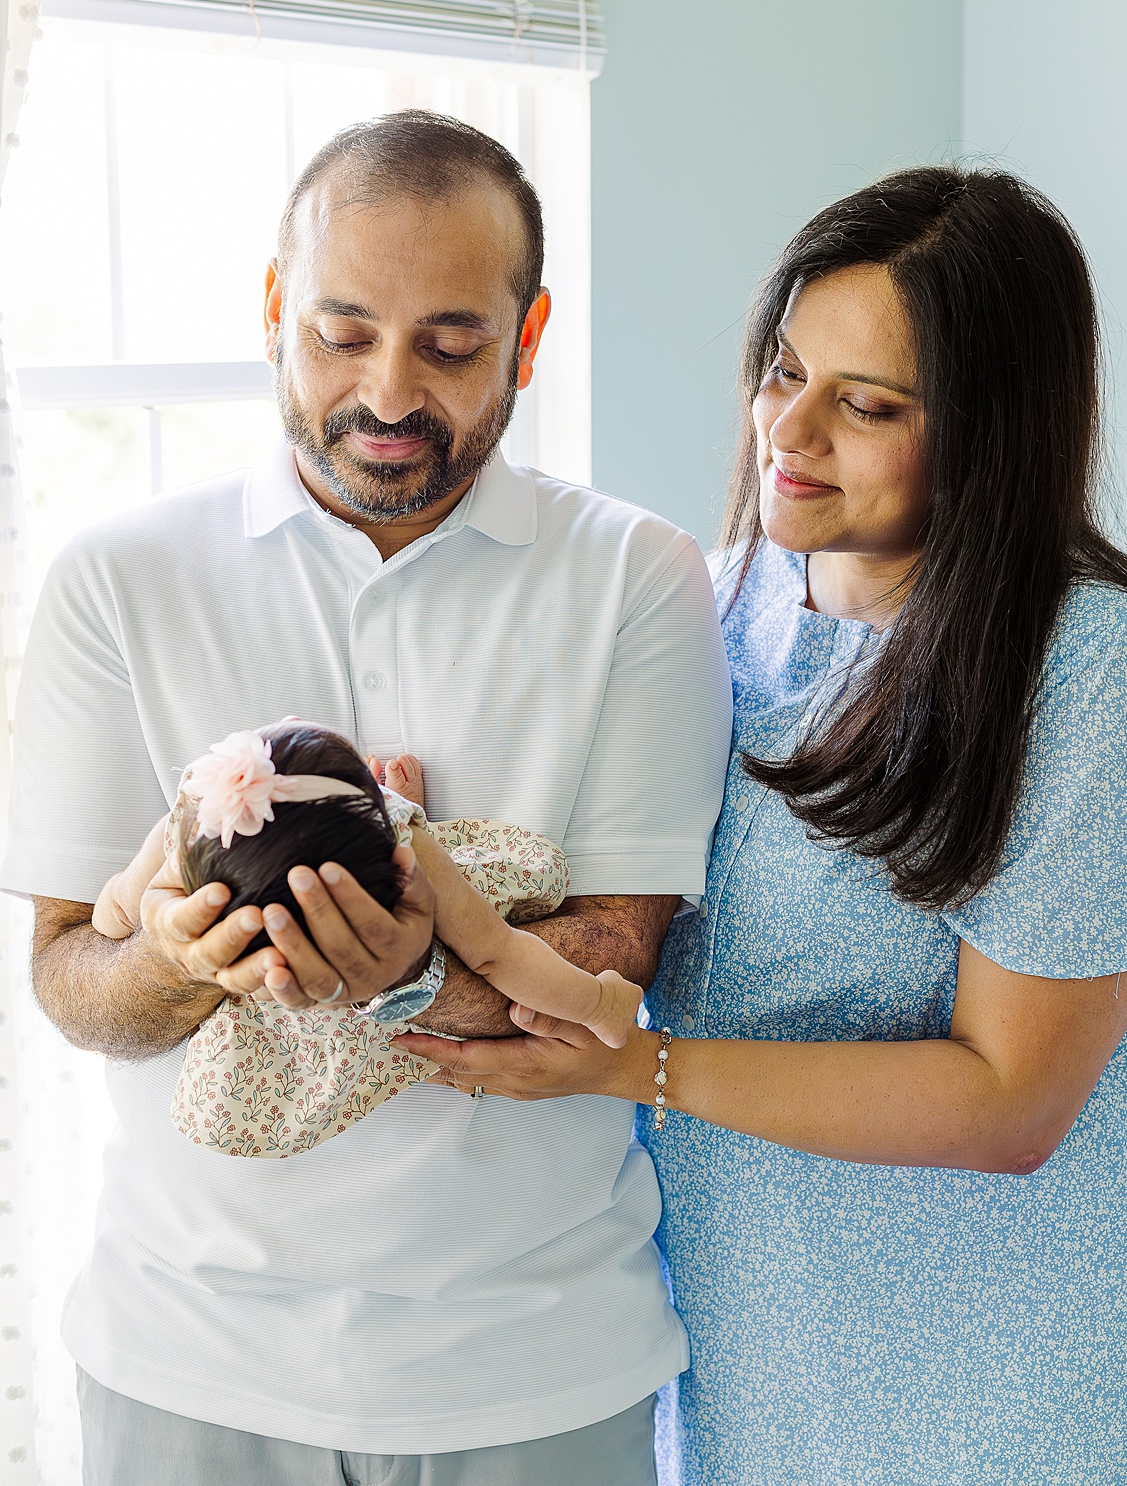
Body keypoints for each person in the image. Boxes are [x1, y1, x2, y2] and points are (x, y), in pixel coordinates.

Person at [2, 110, 732, 1483]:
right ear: (276, 308)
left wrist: (406, 974)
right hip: (185, 1360)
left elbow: (616, 969)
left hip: (532, 1364)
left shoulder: (634, 577)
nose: (389, 391)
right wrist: (166, 956)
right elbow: (64, 974)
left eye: (451, 342)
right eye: (341, 331)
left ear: (527, 333)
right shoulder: (118, 578)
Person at [405, 167, 1127, 1486]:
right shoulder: (716, 600)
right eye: (780, 369)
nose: (785, 429)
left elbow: (1013, 1099)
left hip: (979, 1371)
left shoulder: (1079, 671)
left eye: (864, 405)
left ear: (987, 433)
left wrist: (636, 1066)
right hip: (733, 1343)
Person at [92, 720, 642, 1158]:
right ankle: (600, 1007)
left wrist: (139, 916)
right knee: (494, 941)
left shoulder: (186, 824)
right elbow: (501, 953)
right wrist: (597, 1002)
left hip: (268, 1000)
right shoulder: (407, 851)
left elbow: (110, 912)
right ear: (380, 819)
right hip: (350, 980)